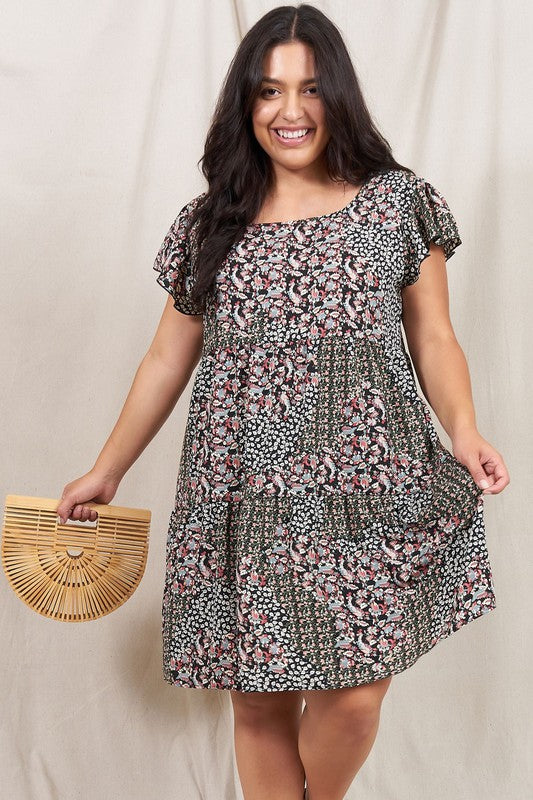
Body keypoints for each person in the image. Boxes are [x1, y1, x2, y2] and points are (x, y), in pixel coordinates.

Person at [55, 4, 509, 799]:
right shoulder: (210, 224)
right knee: (259, 699)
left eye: (308, 89)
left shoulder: (398, 203)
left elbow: (433, 337)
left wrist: (463, 430)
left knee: (356, 696)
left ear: (339, 95)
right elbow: (167, 357)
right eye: (268, 92)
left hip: (367, 488)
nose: (289, 112)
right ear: (245, 104)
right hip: (243, 489)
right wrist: (107, 470)